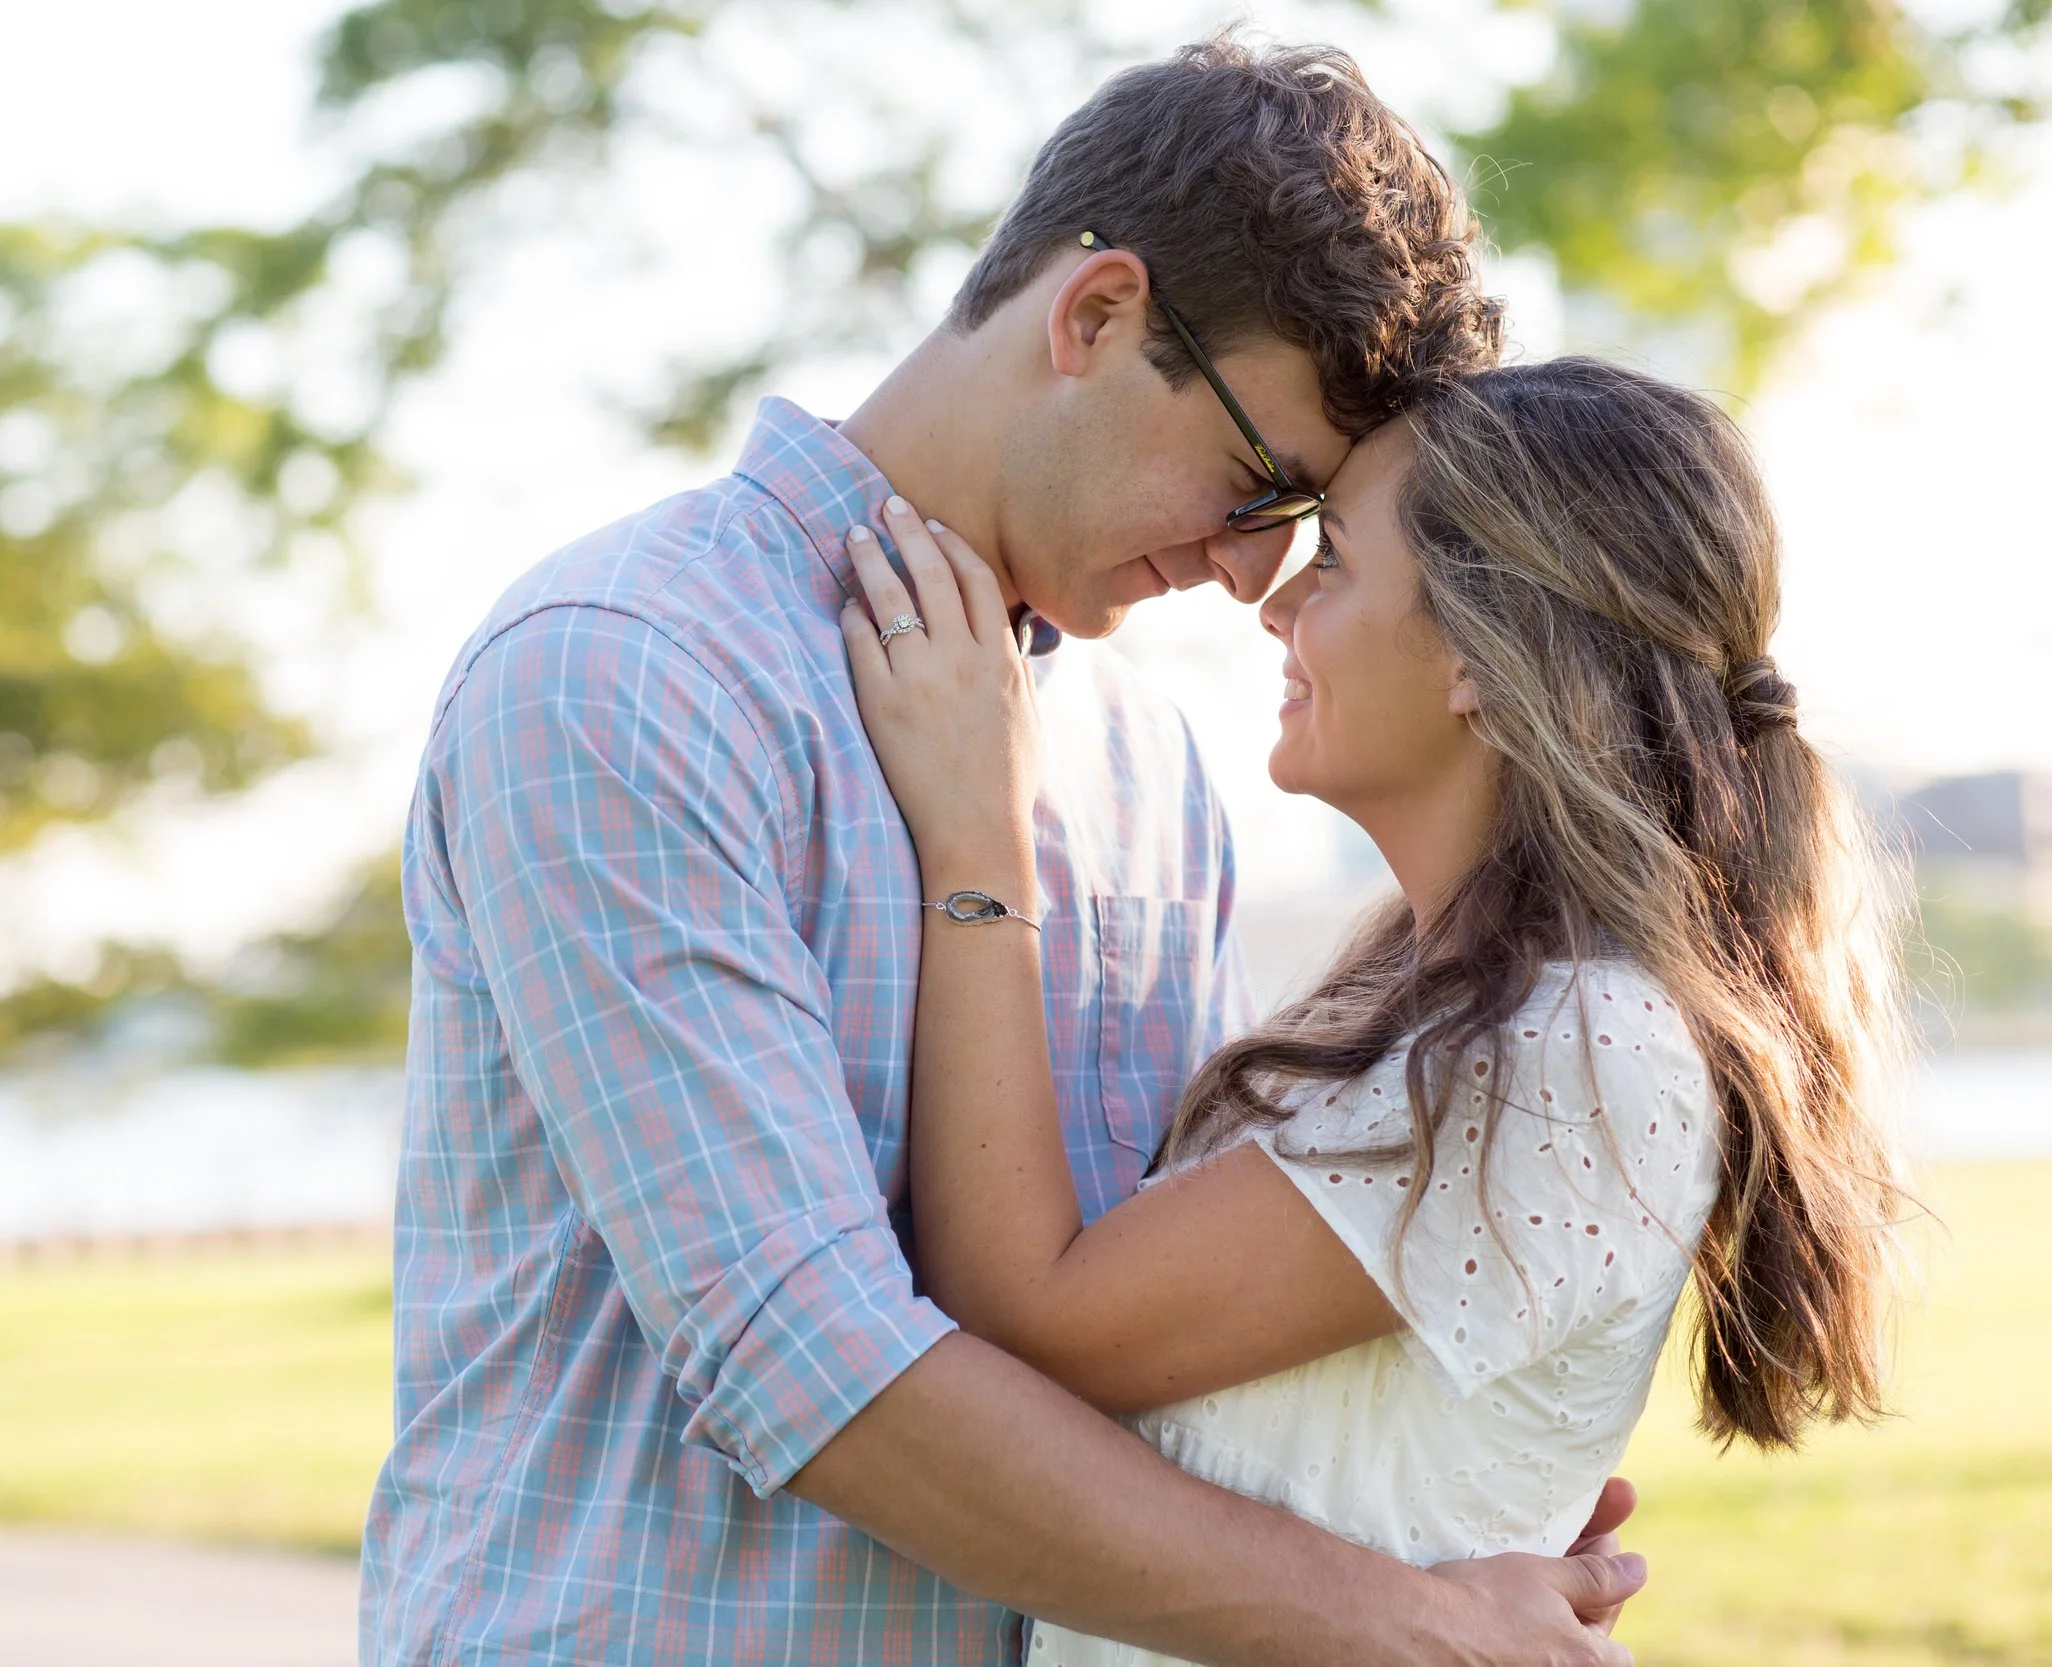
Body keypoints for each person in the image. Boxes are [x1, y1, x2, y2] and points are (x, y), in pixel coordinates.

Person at [363, 34, 1648, 1667]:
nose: (1252, 576)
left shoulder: (1150, 763)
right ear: (1094, 315)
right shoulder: (624, 672)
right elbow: (800, 1355)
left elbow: (1142, 1334)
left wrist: (1443, 1503)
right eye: (1256, 481)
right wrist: (1408, 1624)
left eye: (1301, 524)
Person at [839, 356, 1913, 1667]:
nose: (1277, 605)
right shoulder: (1459, 1006)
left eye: (1335, 558)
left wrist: (977, 837)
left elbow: (1028, 1320)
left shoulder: (1578, 1048)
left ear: (1475, 655)